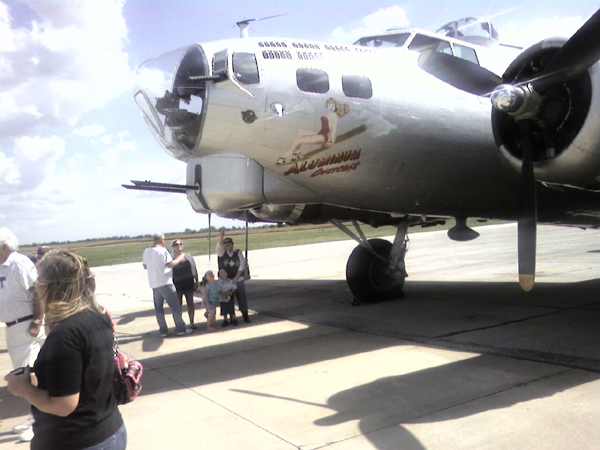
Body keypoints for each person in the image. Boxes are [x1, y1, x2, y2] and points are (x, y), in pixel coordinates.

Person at [4, 249, 127, 450]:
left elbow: (63, 405)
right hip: (109, 429)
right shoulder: (98, 315)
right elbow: (86, 372)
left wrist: (23, 389)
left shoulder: (65, 334)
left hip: (78, 440)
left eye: (39, 280)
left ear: (52, 286)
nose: (35, 287)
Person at [0, 228, 46, 442]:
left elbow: (38, 292)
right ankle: (37, 415)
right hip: (14, 328)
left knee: (30, 376)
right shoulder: (4, 266)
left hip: (27, 326)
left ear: (4, 247)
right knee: (29, 374)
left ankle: (41, 421)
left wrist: (37, 321)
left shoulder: (18, 263)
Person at [142, 233, 193, 337]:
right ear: (161, 240)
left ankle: (163, 330)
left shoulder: (146, 251)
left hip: (154, 284)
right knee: (175, 306)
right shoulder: (162, 250)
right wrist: (179, 259)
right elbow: (170, 265)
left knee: (159, 308)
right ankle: (181, 328)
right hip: (165, 282)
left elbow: (145, 266)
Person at [276, 98, 348, 165]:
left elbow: (334, 129)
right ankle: (296, 154)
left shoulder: (333, 116)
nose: (331, 107)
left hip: (324, 137)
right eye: (329, 105)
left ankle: (283, 158)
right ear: (327, 106)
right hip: (321, 134)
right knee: (301, 132)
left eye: (332, 105)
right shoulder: (329, 114)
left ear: (335, 107)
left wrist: (332, 141)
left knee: (299, 141)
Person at [217, 230, 251, 323]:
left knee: (242, 297)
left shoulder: (238, 252)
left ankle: (245, 316)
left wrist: (237, 277)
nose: (227, 244)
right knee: (228, 300)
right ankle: (231, 318)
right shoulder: (221, 253)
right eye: (225, 243)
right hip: (226, 281)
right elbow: (219, 245)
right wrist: (221, 235)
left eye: (229, 242)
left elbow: (242, 264)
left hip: (238, 279)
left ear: (232, 244)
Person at [171, 239, 198, 329]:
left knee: (190, 302)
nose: (178, 246)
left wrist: (196, 281)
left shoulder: (188, 256)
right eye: (176, 244)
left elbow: (194, 268)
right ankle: (179, 323)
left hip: (188, 282)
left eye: (180, 244)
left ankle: (192, 322)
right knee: (178, 304)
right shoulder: (171, 258)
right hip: (177, 283)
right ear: (173, 248)